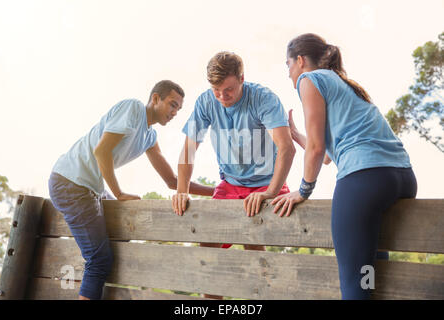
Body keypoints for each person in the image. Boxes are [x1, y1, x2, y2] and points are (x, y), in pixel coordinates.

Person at [271, 33, 417, 300]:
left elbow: (316, 150)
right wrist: (296, 134)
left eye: (288, 65)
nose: (289, 73)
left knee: (354, 283)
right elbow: (326, 155)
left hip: (366, 181)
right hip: (400, 178)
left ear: (300, 61)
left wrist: (303, 190)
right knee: (367, 270)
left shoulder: (309, 79)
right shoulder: (342, 83)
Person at [48, 80, 215, 300]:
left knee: (122, 237)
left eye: (178, 108)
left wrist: (218, 191)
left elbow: (172, 181)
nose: (175, 112)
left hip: (90, 189)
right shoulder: (133, 109)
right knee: (99, 259)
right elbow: (101, 151)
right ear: (155, 99)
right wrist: (118, 193)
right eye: (172, 104)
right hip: (70, 183)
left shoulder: (149, 137)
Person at [172, 52, 295, 298]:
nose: (222, 97)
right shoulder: (207, 102)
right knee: (207, 242)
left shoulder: (263, 98)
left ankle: (265, 294)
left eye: (228, 89)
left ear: (242, 78)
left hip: (267, 183)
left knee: (253, 238)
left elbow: (287, 148)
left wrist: (269, 192)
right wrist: (181, 190)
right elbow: (188, 150)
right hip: (231, 183)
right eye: (216, 90)